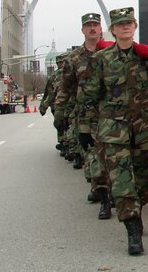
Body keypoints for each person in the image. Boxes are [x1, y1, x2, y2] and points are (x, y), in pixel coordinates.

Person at [80, 7, 148, 255]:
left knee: (143, 178)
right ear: (113, 30)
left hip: (142, 129)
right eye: (120, 24)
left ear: (135, 26)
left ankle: (137, 210)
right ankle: (132, 229)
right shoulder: (101, 60)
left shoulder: (145, 56)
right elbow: (90, 95)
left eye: (129, 23)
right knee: (120, 181)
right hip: (113, 130)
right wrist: (85, 127)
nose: (125, 27)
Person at [57, 13, 112, 219]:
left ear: (101, 29)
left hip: (111, 114)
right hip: (87, 117)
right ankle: (104, 198)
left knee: (115, 156)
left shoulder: (111, 53)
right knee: (95, 157)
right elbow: (66, 87)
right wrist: (60, 113)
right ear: (82, 30)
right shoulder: (74, 58)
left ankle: (115, 193)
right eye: (88, 25)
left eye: (95, 25)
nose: (92, 29)